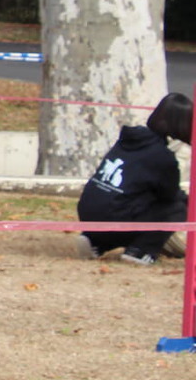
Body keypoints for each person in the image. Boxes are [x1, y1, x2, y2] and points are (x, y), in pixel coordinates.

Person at [77, 94, 192, 266]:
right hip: (116, 217)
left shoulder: (129, 139)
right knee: (177, 207)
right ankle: (140, 251)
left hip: (88, 211)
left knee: (129, 199)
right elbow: (169, 195)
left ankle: (95, 241)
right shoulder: (163, 157)